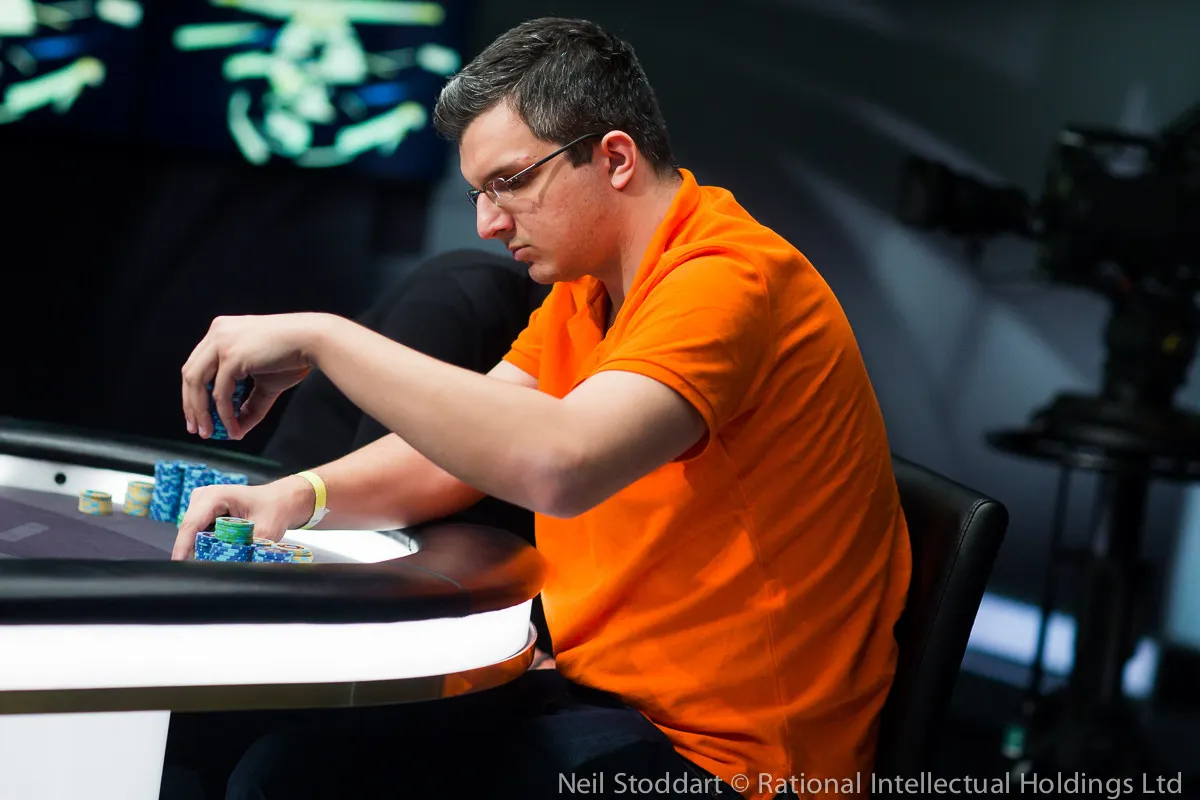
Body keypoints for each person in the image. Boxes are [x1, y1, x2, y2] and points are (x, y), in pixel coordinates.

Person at [169, 17, 912, 800]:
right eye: (479, 193)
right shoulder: (590, 289)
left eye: (511, 181)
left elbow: (560, 466)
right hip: (611, 704)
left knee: (297, 783)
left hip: (731, 766)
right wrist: (297, 496)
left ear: (614, 158)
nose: (488, 223)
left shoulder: (726, 278)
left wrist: (326, 338)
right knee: (284, 766)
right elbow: (455, 452)